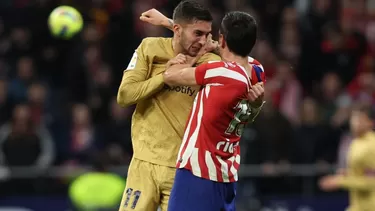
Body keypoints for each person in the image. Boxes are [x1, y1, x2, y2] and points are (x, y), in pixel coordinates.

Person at [116, 1, 221, 211]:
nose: (203, 41)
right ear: (177, 30)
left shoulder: (210, 62)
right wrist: (164, 78)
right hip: (143, 164)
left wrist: (167, 22)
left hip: (183, 169)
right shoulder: (150, 47)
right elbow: (125, 95)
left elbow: (245, 62)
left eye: (207, 35)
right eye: (198, 33)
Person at [160, 11, 265, 211]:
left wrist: (196, 54)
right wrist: (167, 22)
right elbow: (248, 116)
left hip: (197, 172)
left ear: (222, 38)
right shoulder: (257, 71)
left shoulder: (220, 72)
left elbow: (169, 76)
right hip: (227, 173)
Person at [320, 104, 375, 211]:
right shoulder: (355, 142)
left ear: (370, 122)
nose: (355, 123)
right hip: (358, 205)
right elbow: (362, 173)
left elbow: (372, 180)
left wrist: (340, 181)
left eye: (360, 119)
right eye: (353, 119)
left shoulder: (372, 144)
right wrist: (348, 173)